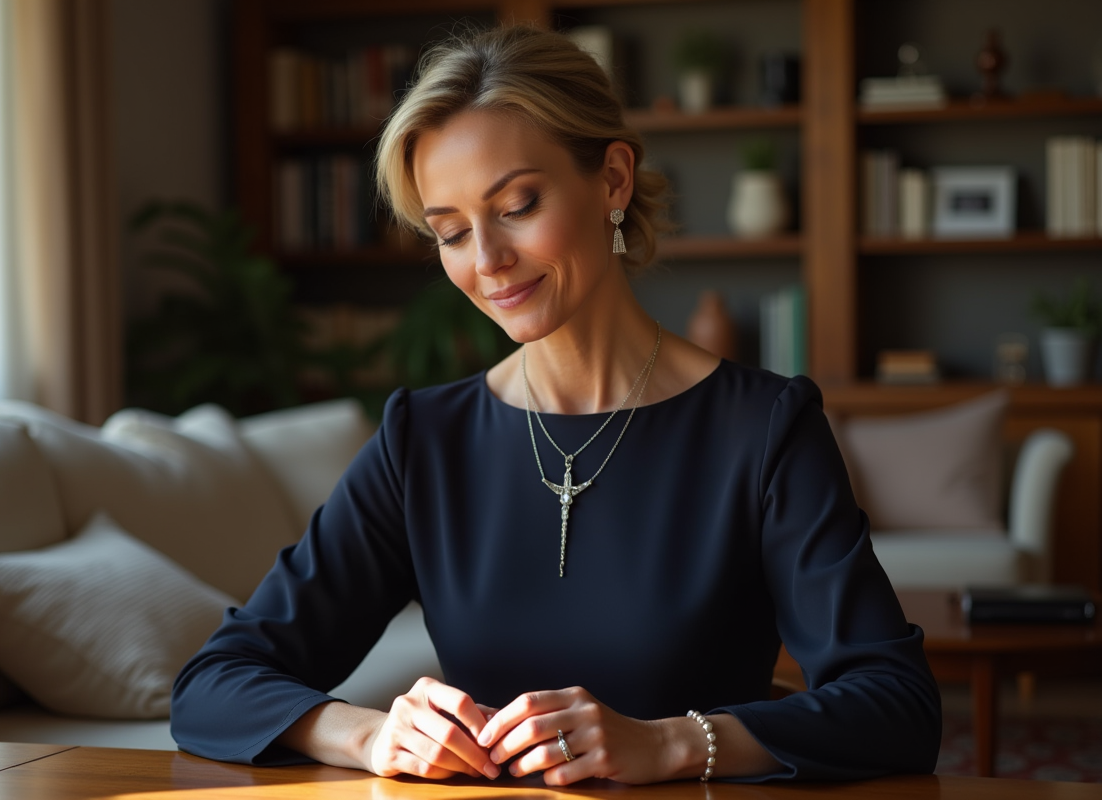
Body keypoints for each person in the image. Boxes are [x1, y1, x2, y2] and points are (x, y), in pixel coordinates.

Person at [171, 24, 941, 784]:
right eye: (450, 233)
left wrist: (669, 744)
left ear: (613, 179)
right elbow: (214, 684)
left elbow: (897, 706)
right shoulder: (423, 440)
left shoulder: (764, 428)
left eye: (518, 204)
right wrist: (371, 735)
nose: (487, 261)